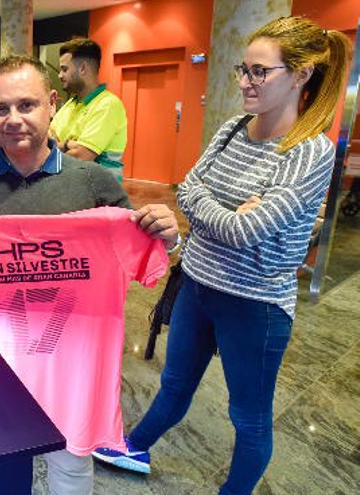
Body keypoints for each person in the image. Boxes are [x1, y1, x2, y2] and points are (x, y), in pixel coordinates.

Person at [92, 17, 350, 495]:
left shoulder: (307, 152)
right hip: (197, 283)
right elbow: (184, 190)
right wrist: (224, 210)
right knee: (174, 384)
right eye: (242, 69)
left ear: (301, 75)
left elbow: (245, 228)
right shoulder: (232, 129)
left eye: (260, 72)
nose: (246, 82)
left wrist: (215, 209)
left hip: (256, 305)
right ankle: (135, 445)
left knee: (248, 416)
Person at [0, 54, 179, 495]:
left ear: (52, 104)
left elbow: (138, 249)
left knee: (69, 471)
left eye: (27, 105)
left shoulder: (95, 183)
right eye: (0, 109)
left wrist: (164, 235)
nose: (14, 119)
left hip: (73, 369)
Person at [50, 38, 128, 181]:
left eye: (64, 69)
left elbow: (81, 156)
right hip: (70, 187)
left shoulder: (108, 104)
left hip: (101, 194)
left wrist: (61, 144)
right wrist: (68, 145)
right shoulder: (70, 104)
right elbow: (46, 141)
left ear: (83, 68)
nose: (59, 75)